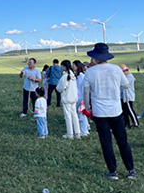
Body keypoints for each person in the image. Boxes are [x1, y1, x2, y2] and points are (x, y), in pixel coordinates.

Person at [83, 43, 137, 180]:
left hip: (99, 112)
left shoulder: (90, 72)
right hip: (115, 110)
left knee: (106, 142)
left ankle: (112, 171)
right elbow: (125, 85)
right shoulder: (116, 69)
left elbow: (86, 92)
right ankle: (131, 170)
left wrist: (88, 108)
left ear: (95, 57)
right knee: (122, 141)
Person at [56, 60, 80, 139]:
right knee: (74, 115)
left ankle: (70, 134)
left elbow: (60, 87)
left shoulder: (65, 76)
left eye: (62, 66)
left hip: (67, 98)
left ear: (64, 66)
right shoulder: (73, 75)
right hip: (73, 97)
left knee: (68, 116)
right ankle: (77, 133)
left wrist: (59, 89)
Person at [73, 60, 89, 136]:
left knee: (82, 115)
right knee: (78, 114)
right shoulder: (76, 76)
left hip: (81, 97)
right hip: (76, 97)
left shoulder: (82, 76)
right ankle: (80, 129)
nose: (73, 67)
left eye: (74, 65)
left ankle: (84, 131)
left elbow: (84, 88)